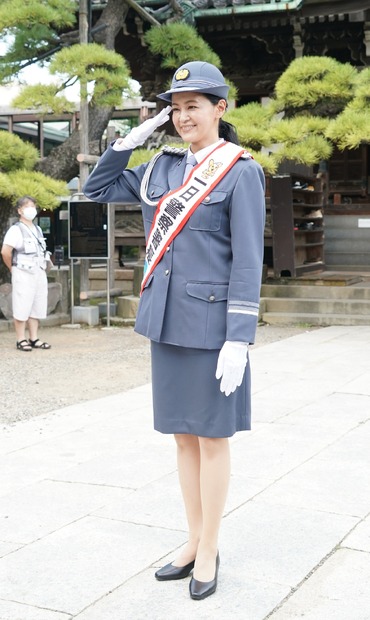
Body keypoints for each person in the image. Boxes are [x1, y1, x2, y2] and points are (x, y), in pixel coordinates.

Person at [83, 61, 265, 600]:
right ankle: (191, 538)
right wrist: (132, 137)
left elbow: (249, 259)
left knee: (211, 438)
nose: (184, 116)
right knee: (183, 437)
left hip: (211, 326)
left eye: (195, 106)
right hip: (166, 320)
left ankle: (209, 546)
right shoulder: (161, 167)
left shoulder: (240, 171)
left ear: (220, 109)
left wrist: (240, 336)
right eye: (176, 108)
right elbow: (98, 188)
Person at [1, 196, 51, 351]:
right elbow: (5, 252)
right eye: (27, 206)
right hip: (22, 271)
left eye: (33, 206)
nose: (32, 209)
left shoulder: (37, 229)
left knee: (37, 304)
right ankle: (20, 339)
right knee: (22, 304)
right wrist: (12, 268)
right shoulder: (15, 229)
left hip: (39, 270)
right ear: (20, 210)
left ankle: (34, 338)